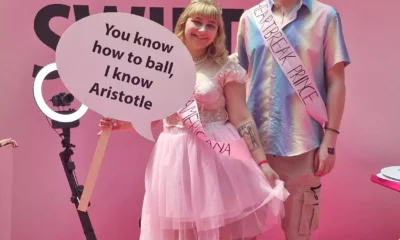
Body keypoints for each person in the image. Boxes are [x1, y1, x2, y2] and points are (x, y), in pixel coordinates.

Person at [99, 0, 289, 239]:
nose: (202, 30)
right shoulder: (160, 64)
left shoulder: (225, 66)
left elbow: (242, 118)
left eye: (211, 25)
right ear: (183, 24)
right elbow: (154, 117)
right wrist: (120, 125)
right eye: (197, 22)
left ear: (217, 33)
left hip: (219, 158)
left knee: (221, 231)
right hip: (174, 158)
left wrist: (262, 163)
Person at [236, 0, 350, 239]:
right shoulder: (250, 18)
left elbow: (336, 80)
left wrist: (331, 139)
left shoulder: (325, 16)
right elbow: (237, 76)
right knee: (243, 233)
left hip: (302, 143)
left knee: (299, 231)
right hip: (252, 147)